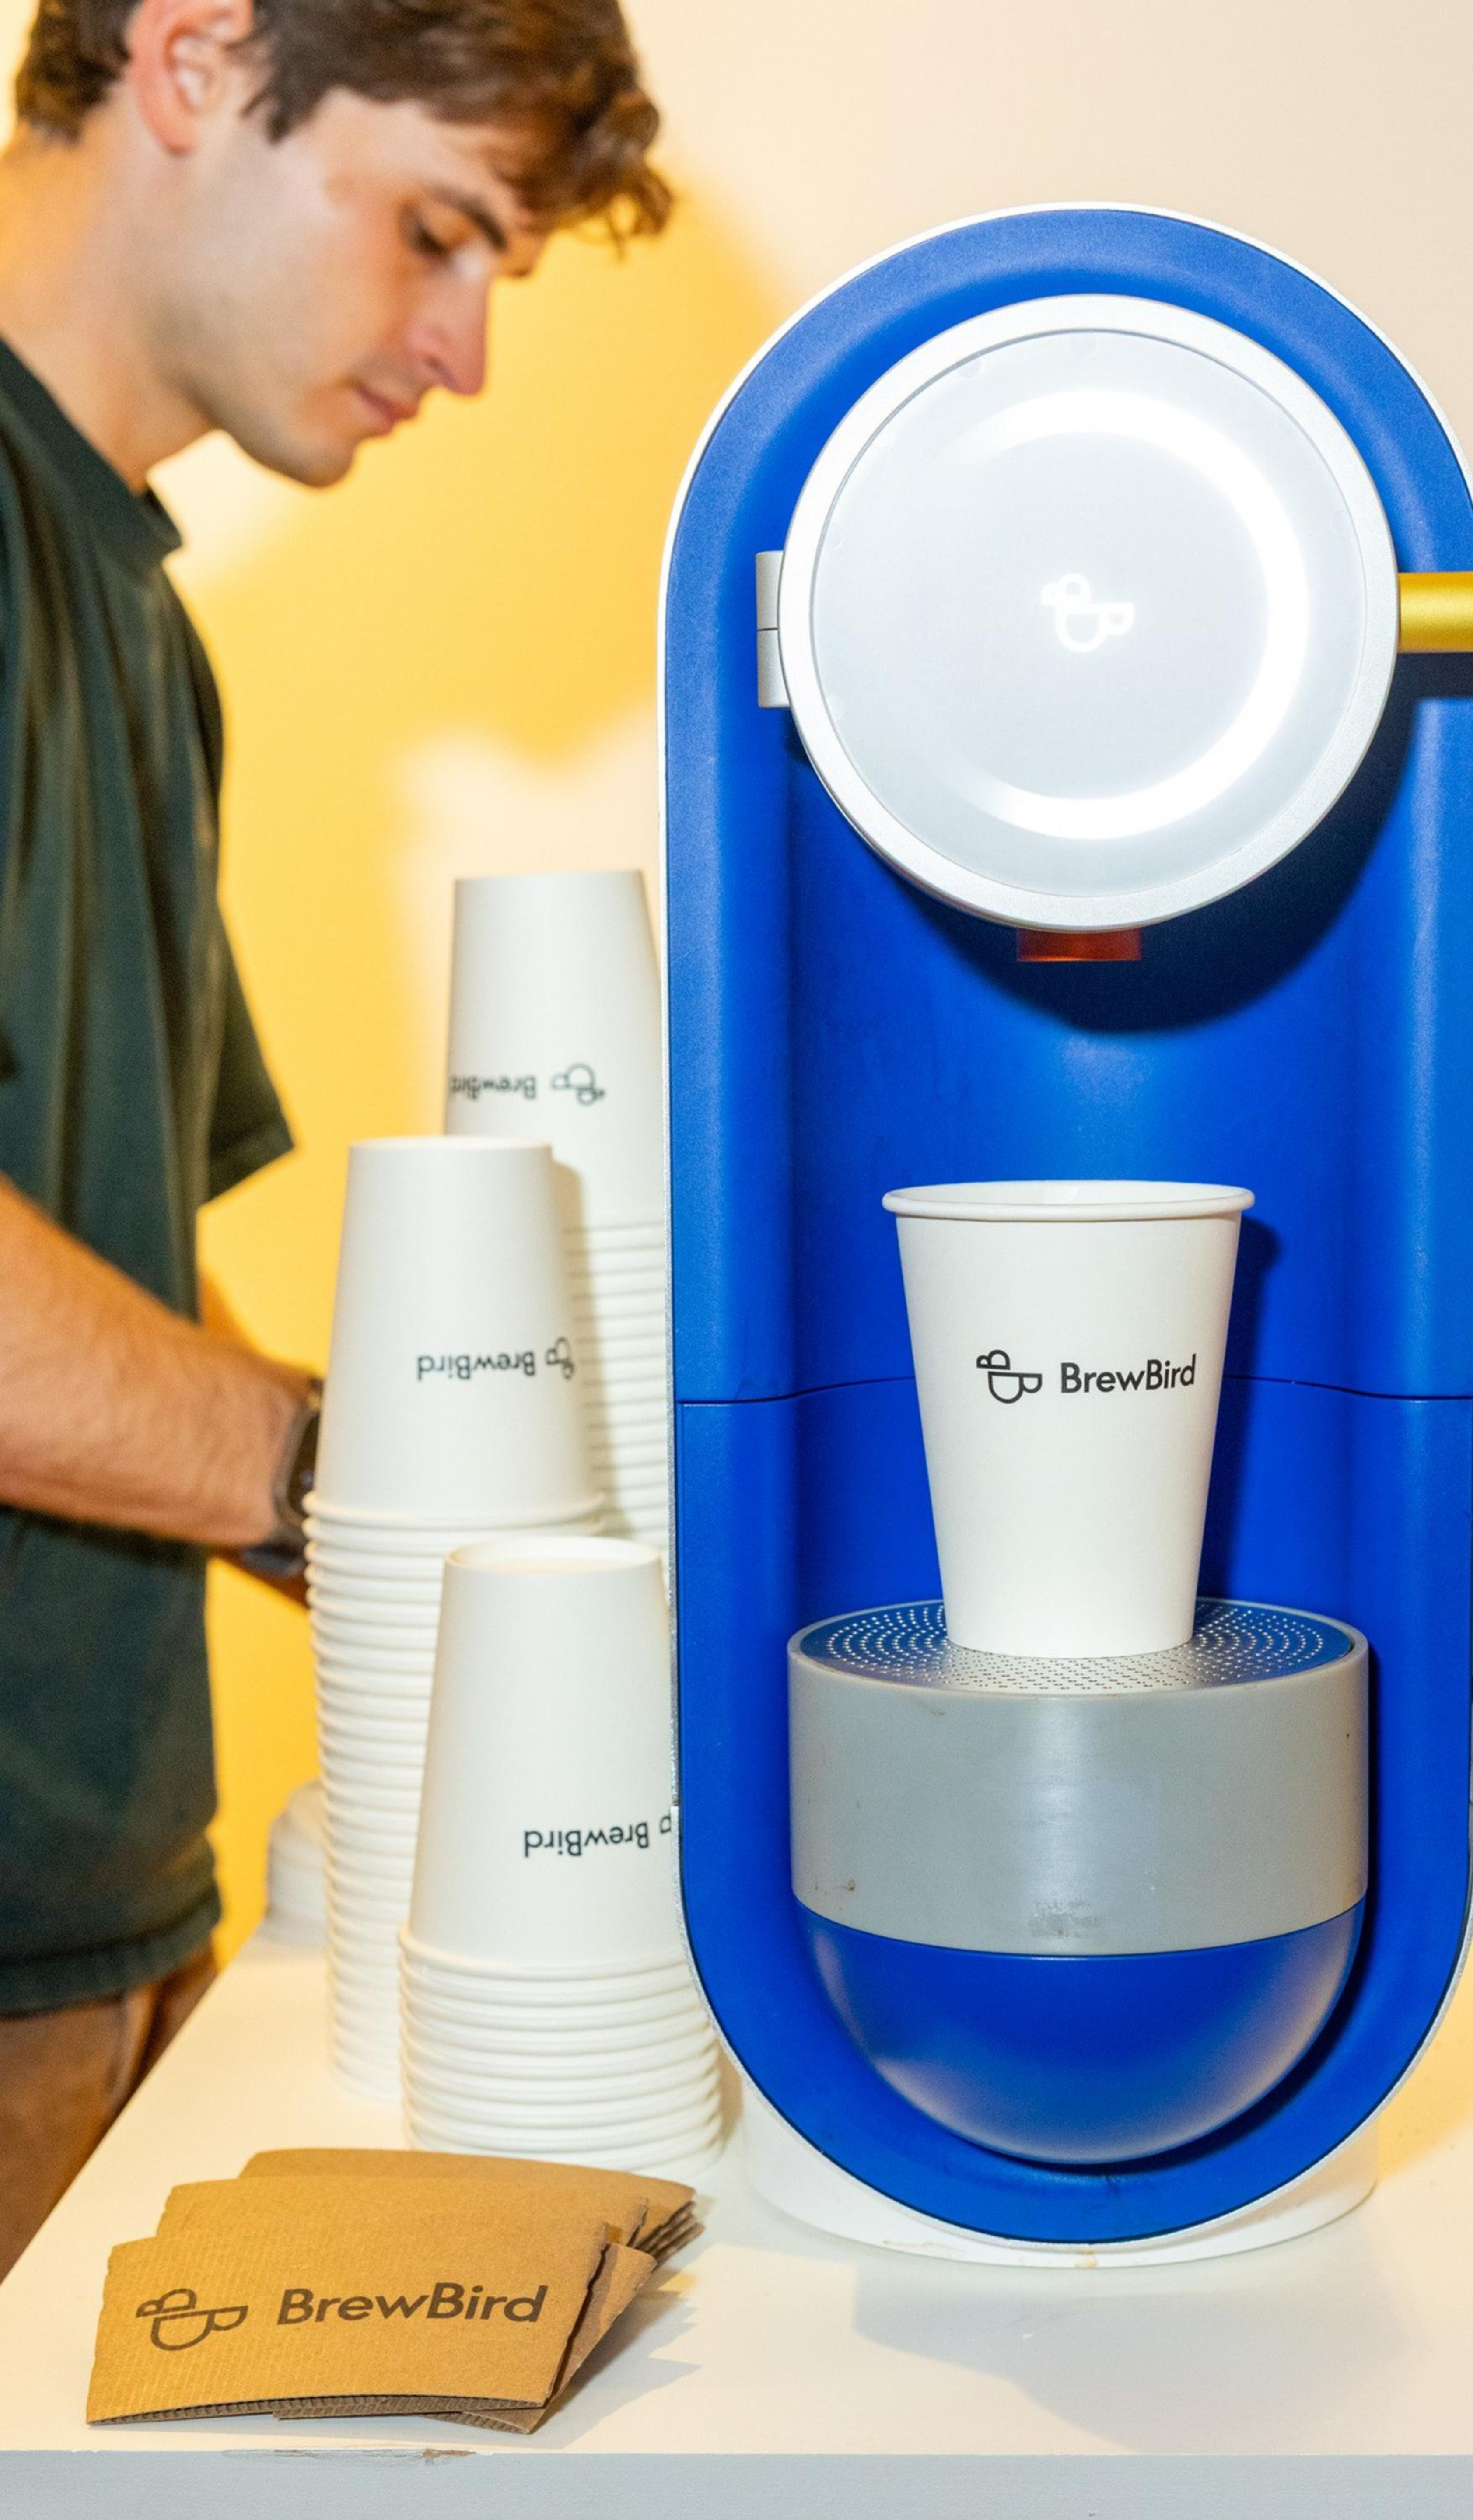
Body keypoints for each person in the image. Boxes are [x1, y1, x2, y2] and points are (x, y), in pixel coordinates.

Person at [0, 0, 668, 2278]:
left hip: (96, 1917)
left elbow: (104, 1258)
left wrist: (539, 1570)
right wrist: (386, 1499)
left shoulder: (129, 625)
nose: (467, 353)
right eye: (440, 230)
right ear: (198, 54)